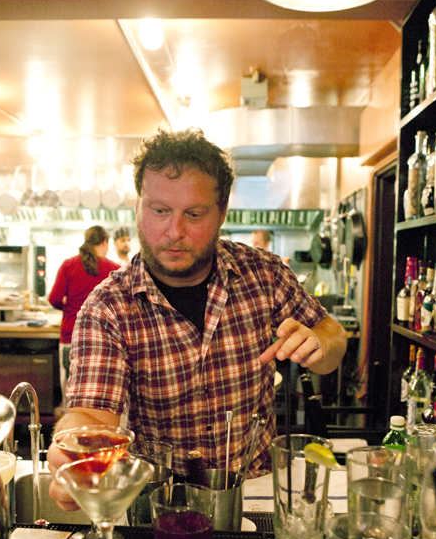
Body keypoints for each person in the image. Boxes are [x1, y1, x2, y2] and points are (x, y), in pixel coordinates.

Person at [48, 126, 346, 510]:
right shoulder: (108, 307)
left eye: (194, 213)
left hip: (253, 494)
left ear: (221, 213)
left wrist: (321, 344)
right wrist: (73, 449)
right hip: (159, 503)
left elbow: (333, 337)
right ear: (139, 207)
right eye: (159, 210)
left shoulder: (264, 274)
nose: (174, 231)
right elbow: (91, 412)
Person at [48, 225, 120, 408]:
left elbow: (54, 298)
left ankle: (69, 434)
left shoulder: (68, 265)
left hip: (70, 336)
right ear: (104, 243)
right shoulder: (114, 270)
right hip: (104, 340)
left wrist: (69, 310)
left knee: (71, 399)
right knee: (101, 399)